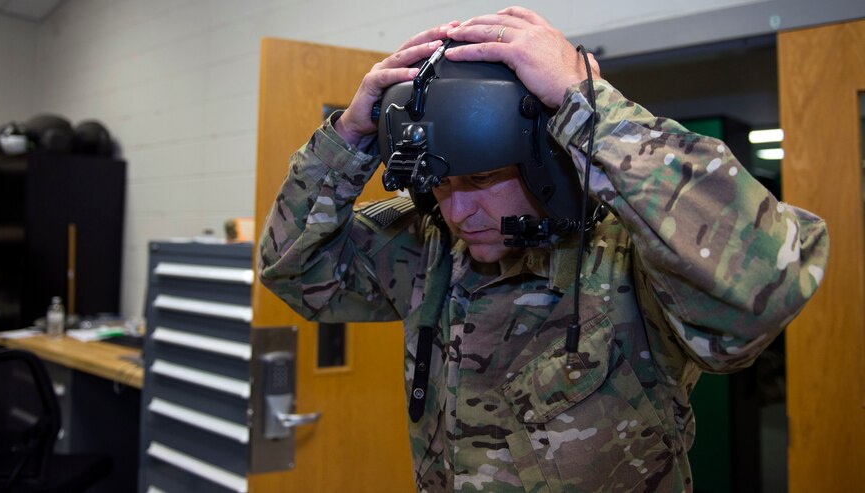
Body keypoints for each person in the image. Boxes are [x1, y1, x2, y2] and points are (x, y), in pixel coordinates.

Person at [257, 6, 829, 492]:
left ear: (548, 162)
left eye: (481, 180)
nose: (458, 213)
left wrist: (593, 111)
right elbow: (295, 270)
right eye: (440, 184)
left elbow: (759, 290)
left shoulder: (633, 252)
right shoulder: (432, 244)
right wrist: (349, 137)